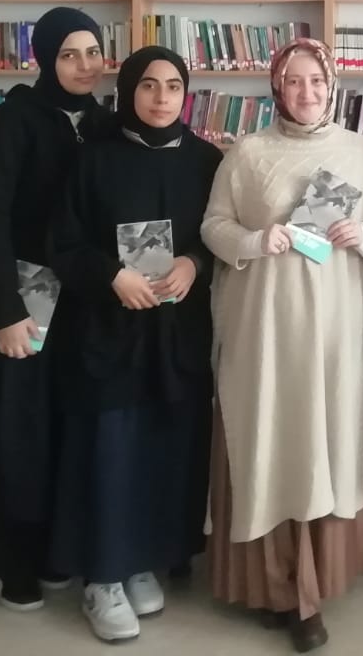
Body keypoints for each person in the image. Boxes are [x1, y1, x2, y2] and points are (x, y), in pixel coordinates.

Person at [201, 38, 363, 653]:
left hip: (335, 325)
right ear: (276, 89)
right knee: (271, 436)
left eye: (316, 81)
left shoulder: (358, 150)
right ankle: (277, 583)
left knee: (323, 434)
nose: (306, 92)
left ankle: (314, 581)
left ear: (331, 85)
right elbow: (213, 225)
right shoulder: (247, 152)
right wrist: (256, 241)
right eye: (294, 81)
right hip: (265, 326)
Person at [47, 46, 223, 642]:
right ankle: (102, 576)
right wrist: (111, 276)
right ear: (128, 90)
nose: (161, 97)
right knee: (110, 451)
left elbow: (217, 235)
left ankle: (145, 557)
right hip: (108, 330)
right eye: (148, 85)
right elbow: (63, 243)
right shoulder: (92, 160)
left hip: (178, 333)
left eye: (173, 86)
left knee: (167, 448)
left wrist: (194, 264)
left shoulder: (206, 161)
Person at [0, 6, 116, 611]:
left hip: (86, 302)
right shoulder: (10, 123)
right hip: (25, 301)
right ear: (45, 59)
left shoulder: (107, 123)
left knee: (71, 423)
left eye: (92, 52)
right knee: (19, 426)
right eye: (68, 55)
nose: (84, 66)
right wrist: (4, 312)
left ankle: (59, 543)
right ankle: (14, 555)